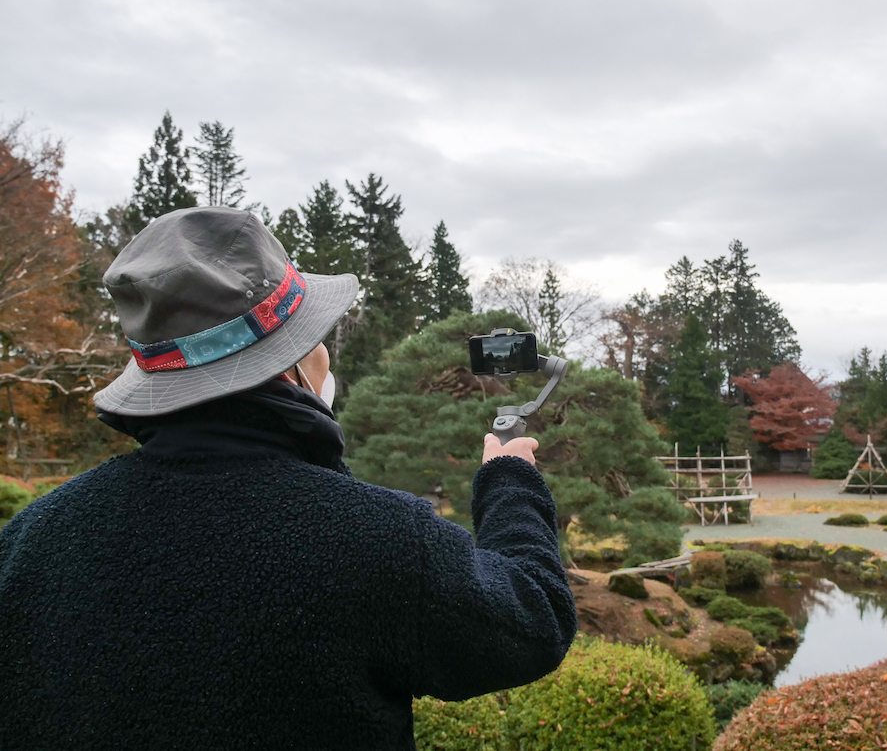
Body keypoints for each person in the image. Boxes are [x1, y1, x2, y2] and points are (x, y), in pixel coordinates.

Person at [0, 207, 576, 750]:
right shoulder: (379, 541)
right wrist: (509, 481)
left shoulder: (29, 541)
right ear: (290, 364)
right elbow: (534, 620)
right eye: (312, 336)